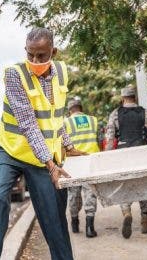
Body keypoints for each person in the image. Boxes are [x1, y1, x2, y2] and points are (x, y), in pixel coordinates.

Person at [0, 28, 85, 260]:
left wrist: (68, 146)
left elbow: (55, 116)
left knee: (54, 217)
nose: (34, 61)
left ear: (53, 52)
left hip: (40, 158)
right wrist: (51, 164)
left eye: (41, 55)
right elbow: (28, 123)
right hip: (9, 151)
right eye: (30, 55)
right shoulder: (14, 74)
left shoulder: (61, 72)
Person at [105, 86, 147, 239]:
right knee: (144, 185)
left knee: (125, 185)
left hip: (123, 153)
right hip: (142, 152)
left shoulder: (115, 114)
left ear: (122, 99)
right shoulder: (145, 112)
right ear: (135, 98)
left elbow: (110, 138)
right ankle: (145, 222)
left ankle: (127, 212)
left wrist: (108, 156)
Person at [64, 98, 100, 238]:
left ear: (70, 110)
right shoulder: (93, 120)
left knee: (73, 194)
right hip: (90, 160)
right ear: (81, 108)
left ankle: (74, 223)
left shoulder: (65, 122)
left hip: (73, 162)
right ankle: (90, 228)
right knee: (90, 192)